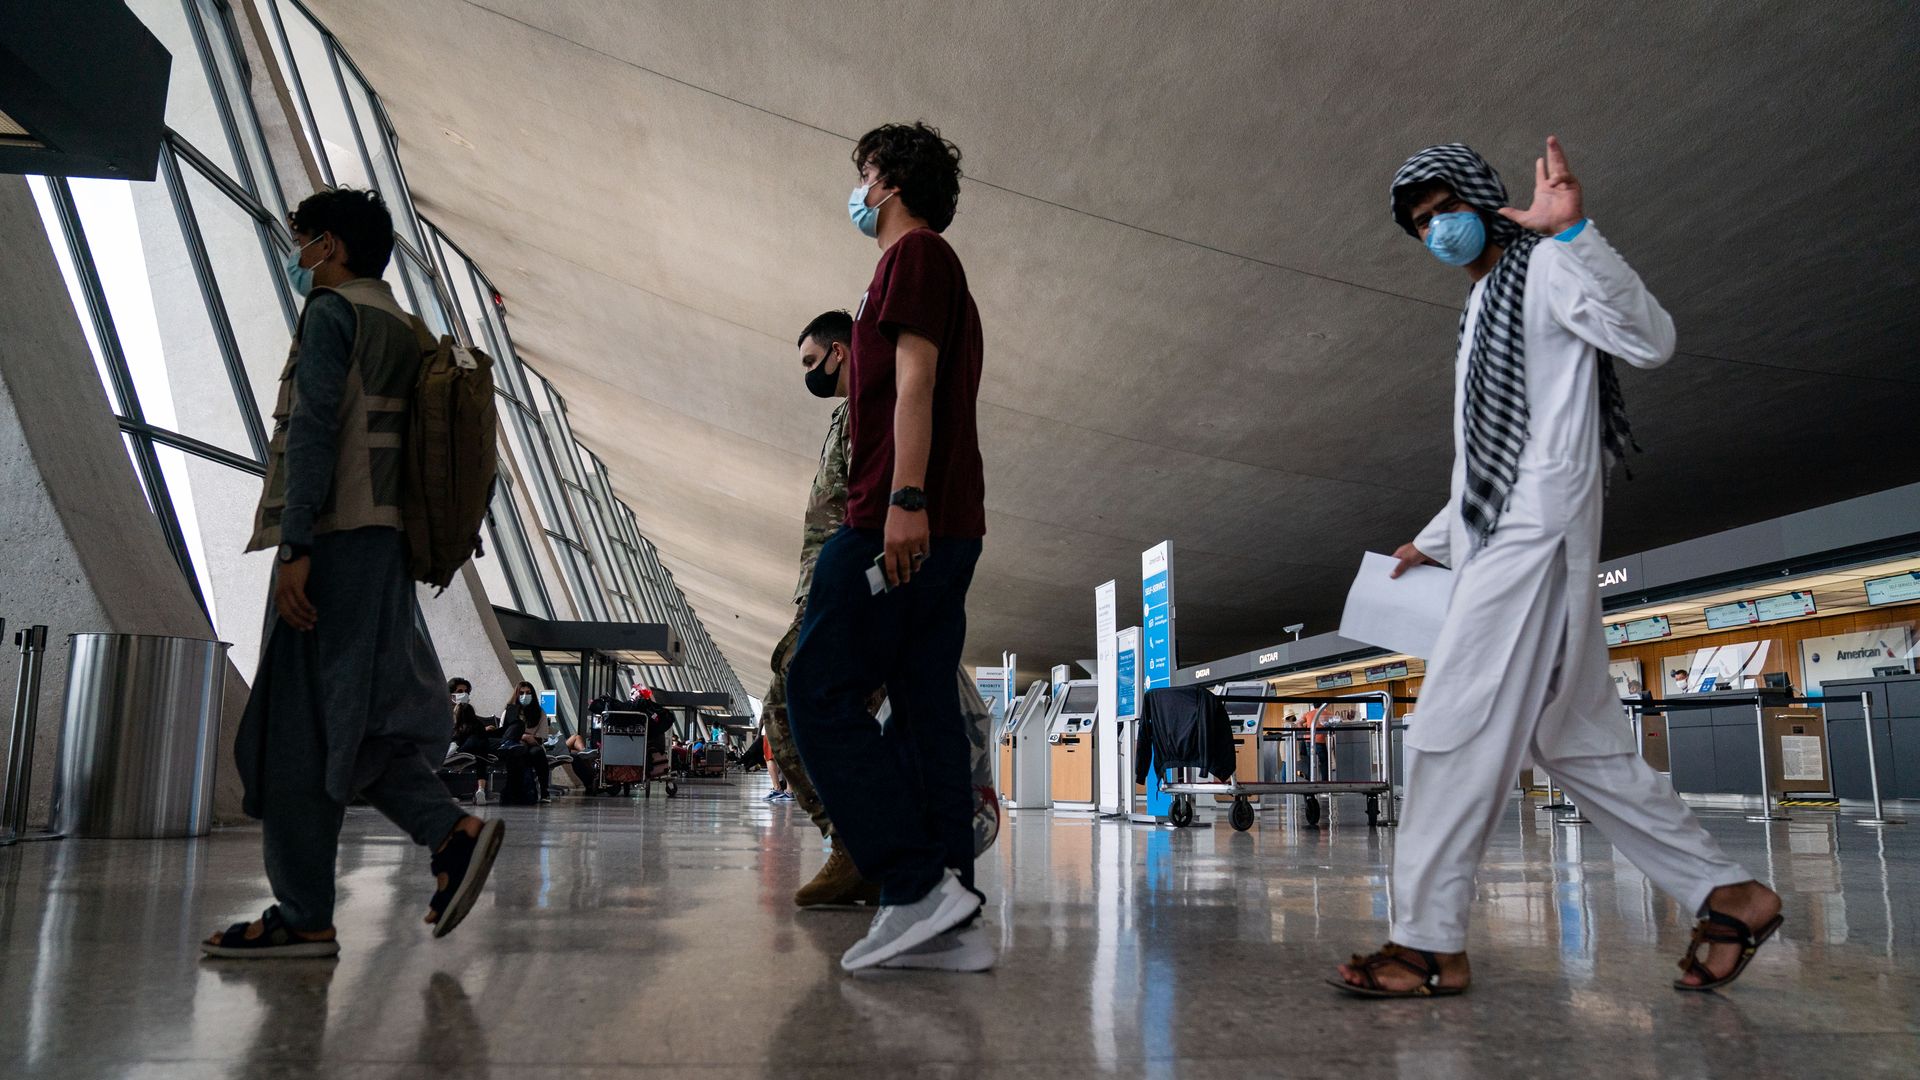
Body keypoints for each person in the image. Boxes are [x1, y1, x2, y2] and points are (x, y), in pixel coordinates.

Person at [1332, 139, 1780, 997]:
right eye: (1420, 224)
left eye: (1444, 211)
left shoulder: (1544, 268)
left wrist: (1574, 234)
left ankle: (1429, 943)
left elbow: (1649, 339)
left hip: (1535, 534)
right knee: (1572, 741)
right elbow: (1488, 449)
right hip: (1506, 531)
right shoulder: (1480, 308)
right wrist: (1436, 537)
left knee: (1450, 728)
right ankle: (1732, 895)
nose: (1436, 232)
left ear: (1481, 198)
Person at [204, 188, 503, 959]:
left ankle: (304, 913)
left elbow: (311, 433)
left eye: (300, 240)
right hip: (386, 549)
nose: (296, 254)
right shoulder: (408, 329)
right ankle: (449, 834)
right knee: (360, 724)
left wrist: (296, 545)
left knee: (297, 729)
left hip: (334, 541)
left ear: (329, 246)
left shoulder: (333, 316)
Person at [785, 121, 991, 973]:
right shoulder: (928, 268)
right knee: (922, 708)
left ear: (891, 182)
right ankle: (948, 916)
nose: (858, 190)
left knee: (815, 690)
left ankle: (913, 884)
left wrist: (903, 502)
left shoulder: (912, 260)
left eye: (865, 175)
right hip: (947, 526)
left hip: (895, 521)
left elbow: (916, 383)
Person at [501, 681, 553, 802]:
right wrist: (525, 736)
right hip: (515, 746)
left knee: (537, 752)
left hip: (533, 746)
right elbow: (505, 734)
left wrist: (527, 738)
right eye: (522, 693)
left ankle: (544, 791)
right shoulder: (509, 712)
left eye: (528, 693)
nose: (525, 696)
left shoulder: (540, 713)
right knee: (519, 753)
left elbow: (540, 739)